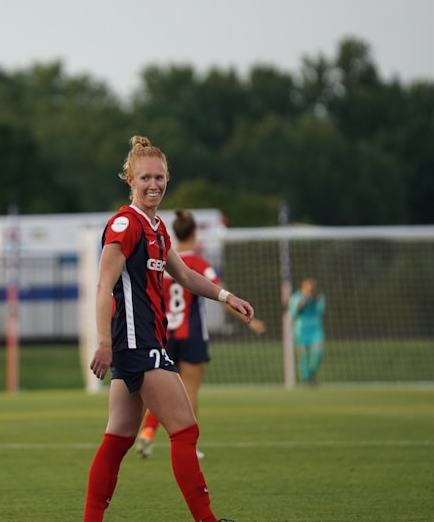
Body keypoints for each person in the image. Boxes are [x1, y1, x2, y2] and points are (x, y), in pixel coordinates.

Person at [84, 136, 253, 522]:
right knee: (185, 430)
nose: (153, 184)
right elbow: (103, 287)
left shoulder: (157, 227)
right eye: (145, 178)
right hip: (136, 343)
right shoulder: (126, 224)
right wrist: (105, 343)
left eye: (159, 177)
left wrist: (227, 297)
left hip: (140, 343)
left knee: (118, 439)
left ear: (168, 178)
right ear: (129, 178)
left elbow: (187, 276)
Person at [136, 208, 267, 460]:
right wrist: (249, 321)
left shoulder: (162, 262)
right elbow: (221, 295)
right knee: (189, 391)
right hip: (192, 334)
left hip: (164, 335)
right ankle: (190, 447)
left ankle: (148, 432)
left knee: (160, 390)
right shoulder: (198, 264)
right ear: (194, 233)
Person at [288, 277, 325, 384]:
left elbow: (320, 310)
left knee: (317, 355)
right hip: (300, 330)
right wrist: (304, 300)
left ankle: (310, 373)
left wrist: (313, 300)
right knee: (303, 356)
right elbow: (293, 312)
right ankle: (306, 379)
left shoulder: (318, 297)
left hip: (315, 329)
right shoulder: (296, 297)